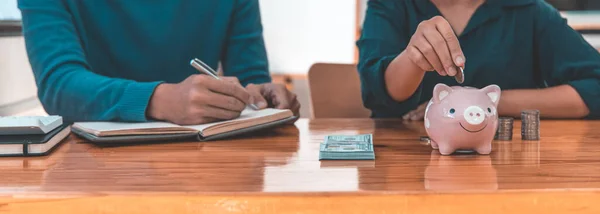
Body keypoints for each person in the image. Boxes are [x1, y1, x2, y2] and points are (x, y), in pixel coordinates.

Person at [18, 0, 300, 125]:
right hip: (91, 167)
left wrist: (261, 95)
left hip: (208, 163)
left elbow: (249, 75)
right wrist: (158, 100)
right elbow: (58, 84)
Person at [357, 0, 600, 121]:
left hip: (509, 170)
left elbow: (595, 86)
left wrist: (494, 103)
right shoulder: (391, 6)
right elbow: (377, 93)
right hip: (405, 169)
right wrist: (413, 58)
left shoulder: (530, 11)